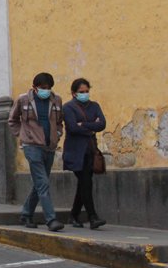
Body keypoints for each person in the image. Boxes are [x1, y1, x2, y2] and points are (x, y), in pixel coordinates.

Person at [8, 72, 65, 232]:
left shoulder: (56, 100)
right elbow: (12, 120)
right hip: (31, 146)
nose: (46, 91)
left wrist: (58, 134)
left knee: (40, 183)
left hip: (49, 146)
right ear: (35, 88)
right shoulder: (23, 100)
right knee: (43, 183)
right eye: (43, 88)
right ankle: (51, 219)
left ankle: (26, 214)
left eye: (49, 88)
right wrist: (23, 135)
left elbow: (60, 122)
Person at [63, 78, 107, 229]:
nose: (85, 94)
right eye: (81, 92)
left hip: (90, 150)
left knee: (85, 183)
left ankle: (74, 215)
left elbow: (102, 124)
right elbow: (73, 127)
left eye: (87, 91)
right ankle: (92, 217)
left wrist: (84, 125)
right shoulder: (68, 108)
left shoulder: (94, 106)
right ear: (74, 93)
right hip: (75, 152)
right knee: (86, 182)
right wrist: (91, 126)